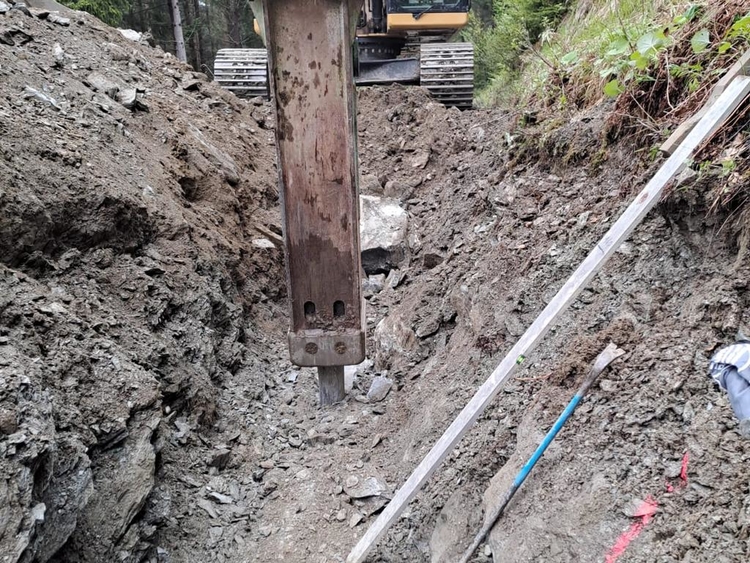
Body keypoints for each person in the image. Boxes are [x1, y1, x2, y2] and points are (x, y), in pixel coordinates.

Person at [709, 330, 750, 437]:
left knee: (740, 389)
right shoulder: (744, 352)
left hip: (725, 368)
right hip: (727, 367)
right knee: (740, 389)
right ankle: (747, 417)